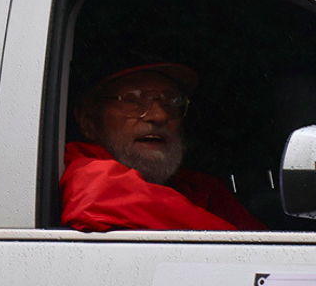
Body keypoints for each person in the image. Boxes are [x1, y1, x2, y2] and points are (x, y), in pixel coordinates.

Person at [63, 54, 265, 232]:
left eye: (171, 101)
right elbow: (94, 194)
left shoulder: (202, 188)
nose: (160, 116)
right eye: (133, 100)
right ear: (87, 119)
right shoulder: (85, 175)